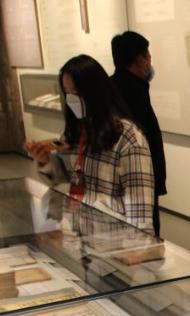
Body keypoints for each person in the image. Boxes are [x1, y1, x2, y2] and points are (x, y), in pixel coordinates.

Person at [24, 55, 155, 233]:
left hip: (114, 238)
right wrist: (45, 160)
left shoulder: (128, 138)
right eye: (66, 92)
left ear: (95, 92)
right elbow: (65, 174)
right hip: (82, 235)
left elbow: (140, 208)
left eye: (76, 93)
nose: (71, 99)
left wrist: (138, 248)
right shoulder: (78, 131)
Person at [111, 31, 166, 237]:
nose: (150, 60)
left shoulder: (116, 86)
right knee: (143, 235)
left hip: (127, 180)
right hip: (137, 179)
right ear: (139, 59)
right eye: (148, 55)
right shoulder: (133, 91)